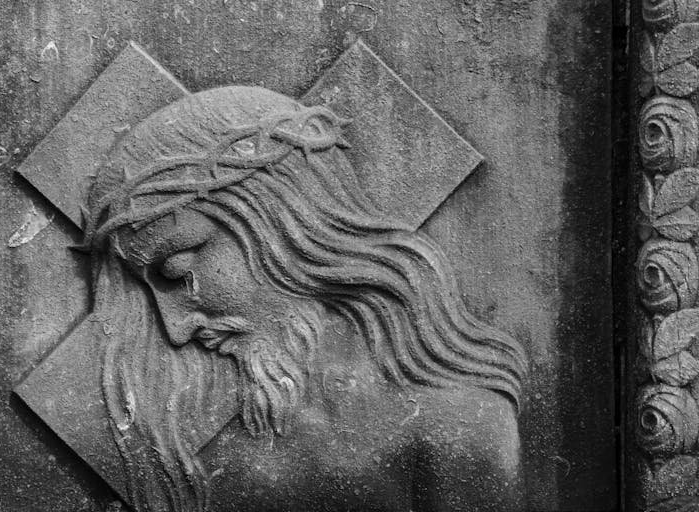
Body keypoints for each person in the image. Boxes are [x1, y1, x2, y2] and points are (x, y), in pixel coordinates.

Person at [85, 86, 528, 512]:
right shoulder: (207, 448)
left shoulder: (461, 424)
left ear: (282, 222)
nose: (175, 330)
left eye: (177, 270)